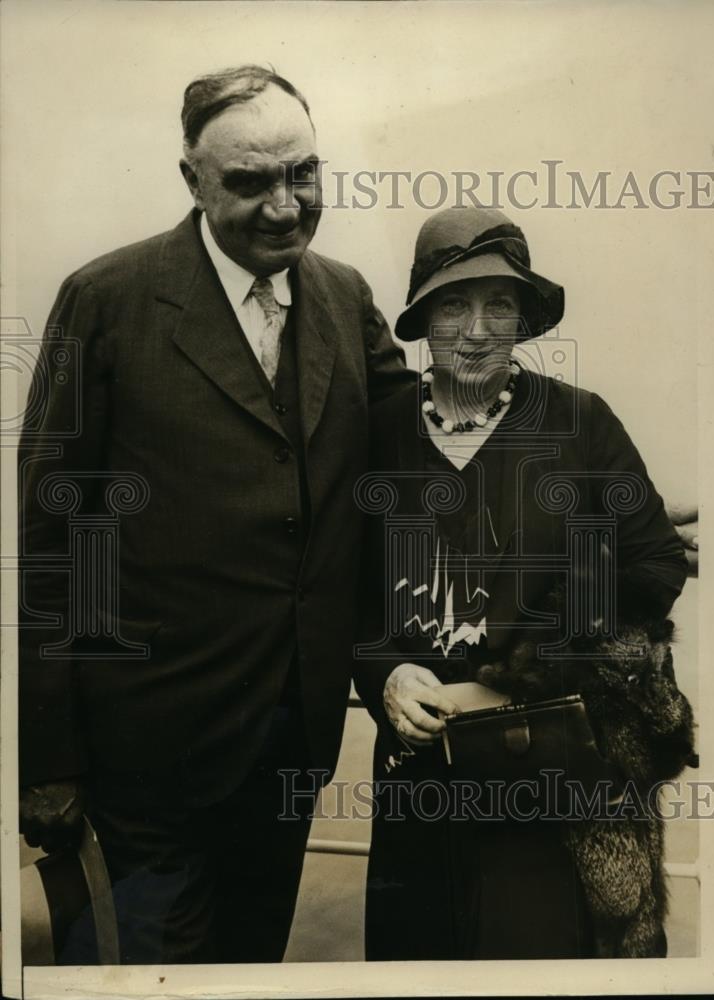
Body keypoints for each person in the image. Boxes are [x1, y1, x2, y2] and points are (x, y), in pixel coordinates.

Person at [18, 64, 413, 964]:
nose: (284, 206)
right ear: (191, 179)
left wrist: (594, 497)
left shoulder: (345, 298)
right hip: (145, 756)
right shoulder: (106, 300)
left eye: (302, 173)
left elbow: (418, 457)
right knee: (148, 977)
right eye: (249, 182)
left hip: (292, 744)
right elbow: (48, 537)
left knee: (249, 972)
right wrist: (42, 757)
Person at [353, 206, 690, 960]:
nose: (476, 329)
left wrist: (524, 675)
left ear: (523, 319)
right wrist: (385, 673)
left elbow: (653, 562)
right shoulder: (375, 433)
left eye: (498, 304)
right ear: (422, 318)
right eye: (452, 304)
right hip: (417, 775)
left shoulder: (579, 422)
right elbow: (339, 595)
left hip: (550, 774)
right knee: (418, 963)